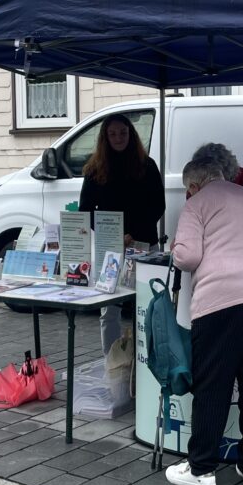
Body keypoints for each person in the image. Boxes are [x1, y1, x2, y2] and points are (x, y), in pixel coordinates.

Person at [165, 156, 243, 485]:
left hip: (223, 299)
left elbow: (187, 257)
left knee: (213, 385)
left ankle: (201, 468)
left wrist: (176, 246)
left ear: (193, 185)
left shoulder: (197, 204)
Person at [79, 113, 164, 355]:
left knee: (148, 307)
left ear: (131, 134)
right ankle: (112, 361)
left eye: (123, 132)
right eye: (113, 133)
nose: (118, 138)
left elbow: (158, 205)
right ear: (105, 137)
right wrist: (116, 234)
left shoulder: (147, 166)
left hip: (144, 246)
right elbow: (86, 210)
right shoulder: (94, 169)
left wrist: (132, 233)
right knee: (109, 310)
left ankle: (148, 362)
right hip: (112, 250)